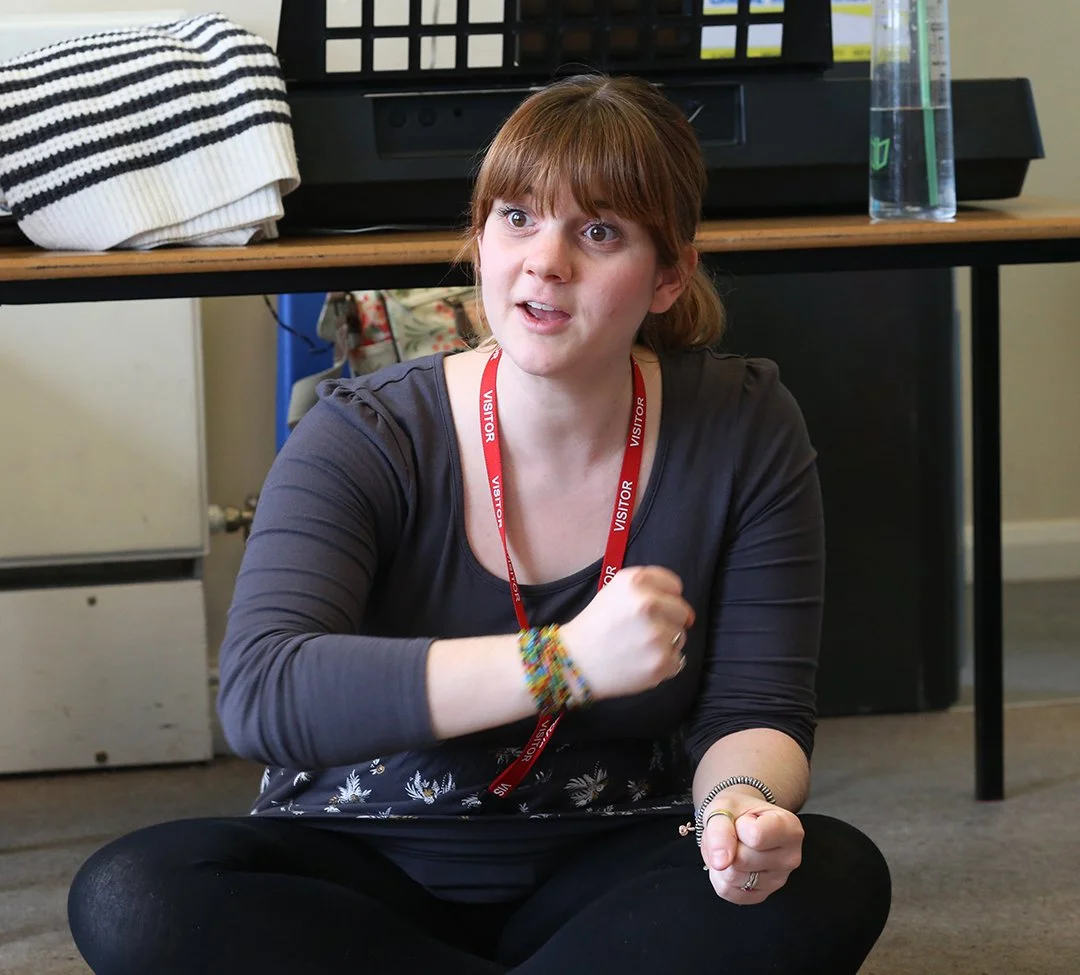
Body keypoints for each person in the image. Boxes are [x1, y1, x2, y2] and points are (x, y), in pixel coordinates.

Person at [68, 72, 891, 974]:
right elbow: (264, 691)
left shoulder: (744, 422)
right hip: (364, 855)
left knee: (831, 871)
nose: (546, 261)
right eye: (518, 217)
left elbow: (755, 709)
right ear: (480, 237)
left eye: (599, 231)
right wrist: (561, 661)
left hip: (609, 857)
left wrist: (740, 807)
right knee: (132, 893)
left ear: (669, 276)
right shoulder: (366, 431)